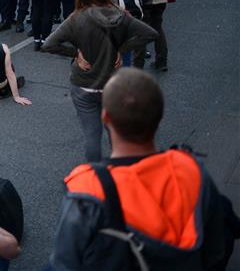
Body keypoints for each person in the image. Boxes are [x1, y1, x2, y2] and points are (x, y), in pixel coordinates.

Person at [50, 68, 227, 270]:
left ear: (105, 118)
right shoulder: (192, 169)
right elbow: (216, 250)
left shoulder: (87, 189)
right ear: (159, 118)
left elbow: (64, 264)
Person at [42, 0, 158, 161]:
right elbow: (150, 34)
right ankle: (118, 170)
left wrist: (75, 53)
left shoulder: (76, 19)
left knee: (92, 136)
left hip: (84, 85)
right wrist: (121, 49)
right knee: (115, 133)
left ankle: (96, 178)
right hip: (112, 87)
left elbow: (48, 45)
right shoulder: (120, 16)